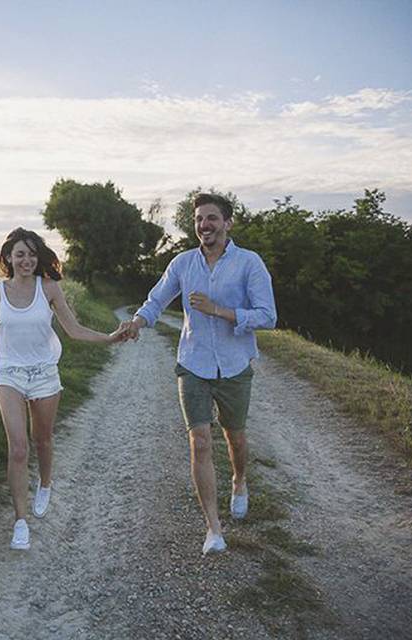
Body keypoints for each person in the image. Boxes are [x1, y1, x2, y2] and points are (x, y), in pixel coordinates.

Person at [122, 193, 277, 555]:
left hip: (235, 365)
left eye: (211, 218)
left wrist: (221, 311)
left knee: (235, 437)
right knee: (201, 441)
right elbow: (157, 299)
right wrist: (138, 322)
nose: (204, 225)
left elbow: (268, 316)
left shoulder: (249, 263)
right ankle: (213, 528)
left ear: (227, 223)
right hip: (193, 363)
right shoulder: (183, 263)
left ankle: (239, 480)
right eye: (198, 220)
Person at [0, 227, 129, 550]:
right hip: (8, 374)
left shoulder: (49, 289)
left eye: (32, 254)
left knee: (42, 439)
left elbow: (73, 329)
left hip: (44, 372)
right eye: (20, 254)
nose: (27, 259)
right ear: (8, 258)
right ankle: (20, 522)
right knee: (18, 447)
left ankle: (45, 482)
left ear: (38, 257)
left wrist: (109, 337)